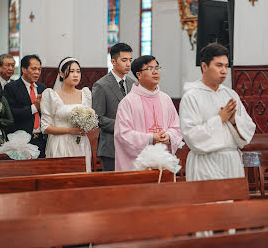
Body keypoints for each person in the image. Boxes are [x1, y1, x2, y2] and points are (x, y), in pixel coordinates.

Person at [179, 43, 256, 181]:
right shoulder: (191, 96)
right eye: (219, 65)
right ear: (204, 66)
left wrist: (233, 122)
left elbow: (248, 129)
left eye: (226, 66)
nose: (224, 71)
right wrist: (219, 119)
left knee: (233, 202)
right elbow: (191, 136)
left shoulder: (230, 94)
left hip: (232, 162)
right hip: (206, 164)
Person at [114, 55, 183, 171]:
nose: (155, 72)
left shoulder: (165, 99)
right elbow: (123, 135)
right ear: (139, 75)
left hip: (164, 163)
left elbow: (176, 127)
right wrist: (151, 138)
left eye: (157, 68)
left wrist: (169, 136)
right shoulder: (128, 102)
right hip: (136, 165)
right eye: (150, 69)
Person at [41, 57, 92, 172]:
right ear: (62, 74)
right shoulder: (51, 95)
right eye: (72, 71)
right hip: (60, 144)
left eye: (78, 71)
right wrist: (69, 131)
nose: (76, 75)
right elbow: (45, 127)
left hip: (81, 144)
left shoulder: (85, 94)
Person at [92, 43, 135, 171]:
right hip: (111, 146)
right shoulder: (101, 85)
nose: (128, 64)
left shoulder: (133, 84)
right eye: (124, 60)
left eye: (130, 60)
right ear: (113, 61)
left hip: (132, 144)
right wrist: (122, 126)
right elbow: (97, 118)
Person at [4, 55, 47, 157]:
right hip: (21, 141)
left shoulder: (42, 88)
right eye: (33, 69)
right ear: (24, 69)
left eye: (39, 69)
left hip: (41, 139)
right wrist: (34, 108)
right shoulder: (11, 88)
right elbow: (10, 113)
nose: (37, 72)